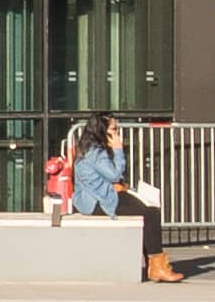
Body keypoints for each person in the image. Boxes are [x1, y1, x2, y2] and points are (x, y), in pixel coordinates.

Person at [71, 112, 184, 283]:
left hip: (100, 196)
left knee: (149, 209)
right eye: (113, 130)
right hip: (99, 201)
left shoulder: (91, 148)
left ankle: (155, 264)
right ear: (102, 131)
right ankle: (157, 266)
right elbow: (114, 175)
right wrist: (118, 149)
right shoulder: (95, 152)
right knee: (151, 213)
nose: (117, 133)